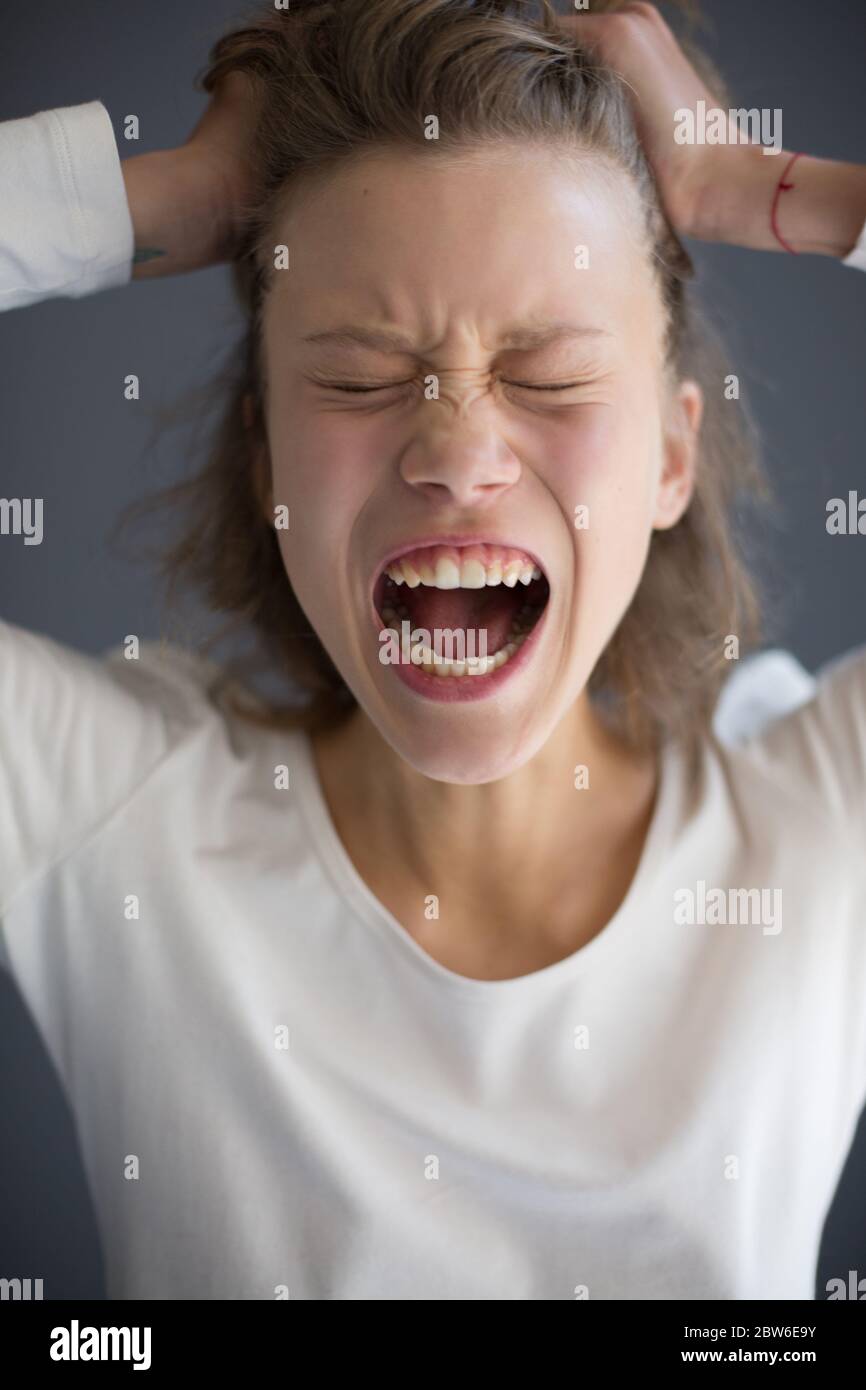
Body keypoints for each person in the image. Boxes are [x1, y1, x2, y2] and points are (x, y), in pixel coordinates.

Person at [1, 0, 865, 1301]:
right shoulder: (107, 815)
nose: (455, 452)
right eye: (354, 379)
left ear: (670, 456)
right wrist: (164, 197)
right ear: (265, 461)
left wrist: (759, 187)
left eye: (551, 376)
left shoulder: (825, 829)